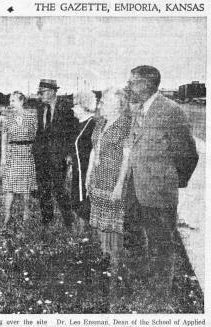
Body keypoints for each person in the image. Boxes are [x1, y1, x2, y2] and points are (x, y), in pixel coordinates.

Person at [124, 65, 199, 301]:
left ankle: (160, 294)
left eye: (133, 82)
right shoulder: (141, 110)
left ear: (147, 84)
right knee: (135, 235)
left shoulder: (170, 110)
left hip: (158, 191)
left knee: (161, 243)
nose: (129, 86)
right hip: (136, 188)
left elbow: (188, 154)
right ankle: (142, 280)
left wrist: (171, 180)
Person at [86, 88, 131, 278]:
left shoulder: (126, 125)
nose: (100, 105)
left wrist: (119, 185)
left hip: (113, 180)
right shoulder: (100, 123)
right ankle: (104, 254)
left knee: (114, 222)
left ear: (117, 105)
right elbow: (94, 151)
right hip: (98, 178)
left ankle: (115, 260)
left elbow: (127, 158)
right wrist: (88, 175)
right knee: (101, 220)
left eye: (104, 101)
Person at [33, 79, 76, 228]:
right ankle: (47, 220)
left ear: (51, 92)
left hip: (59, 156)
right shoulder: (40, 108)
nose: (40, 95)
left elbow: (72, 132)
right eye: (39, 93)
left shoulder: (66, 107)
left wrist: (70, 154)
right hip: (41, 156)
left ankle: (68, 221)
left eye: (42, 92)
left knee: (59, 189)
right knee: (43, 189)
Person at [1, 91, 37, 225]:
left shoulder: (31, 117)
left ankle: (26, 213)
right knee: (9, 187)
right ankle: (7, 215)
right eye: (10, 101)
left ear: (21, 102)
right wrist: (3, 158)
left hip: (27, 154)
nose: (11, 104)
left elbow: (35, 136)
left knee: (25, 187)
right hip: (12, 154)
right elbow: (4, 139)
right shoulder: (7, 118)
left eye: (13, 101)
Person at [71, 91, 97, 231]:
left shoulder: (92, 124)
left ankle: (84, 234)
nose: (72, 108)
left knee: (84, 201)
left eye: (75, 105)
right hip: (78, 170)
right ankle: (79, 233)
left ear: (83, 106)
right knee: (76, 200)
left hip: (87, 170)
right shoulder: (78, 124)